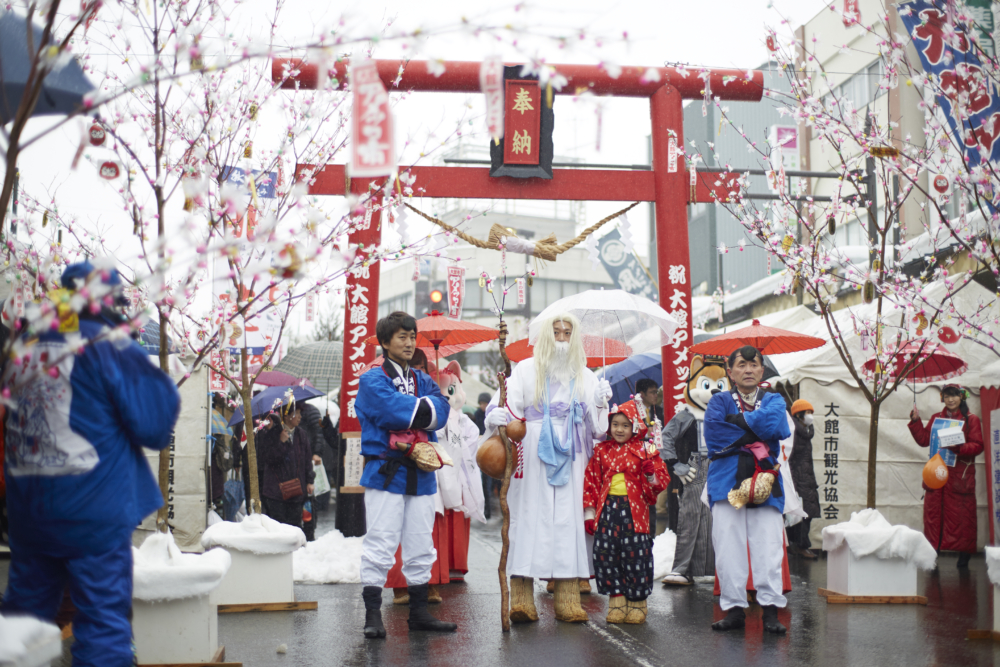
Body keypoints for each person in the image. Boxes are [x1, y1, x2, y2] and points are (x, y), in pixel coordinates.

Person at [1, 260, 181, 667]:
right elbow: (153, 425)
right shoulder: (107, 344)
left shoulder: (24, 345)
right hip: (94, 509)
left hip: (30, 511)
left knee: (23, 623)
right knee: (102, 621)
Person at [484, 313, 611, 623]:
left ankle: (568, 597)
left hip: (573, 452)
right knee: (528, 515)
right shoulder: (525, 370)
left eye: (568, 333)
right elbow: (503, 408)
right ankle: (522, 597)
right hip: (533, 449)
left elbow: (599, 431)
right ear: (544, 336)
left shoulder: (587, 375)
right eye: (556, 332)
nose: (562, 338)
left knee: (569, 519)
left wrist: (599, 402)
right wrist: (496, 417)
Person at [355, 312, 456, 638]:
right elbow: (388, 411)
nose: (410, 342)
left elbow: (441, 412)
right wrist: (418, 410)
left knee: (420, 542)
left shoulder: (422, 379)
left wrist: (414, 410)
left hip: (423, 471)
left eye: (413, 336)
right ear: (385, 342)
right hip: (386, 470)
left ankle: (419, 613)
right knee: (381, 541)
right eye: (402, 336)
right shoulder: (372, 379)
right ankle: (372, 615)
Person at [705, 345, 790, 634]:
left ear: (762, 370)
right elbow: (714, 435)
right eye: (741, 365)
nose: (748, 370)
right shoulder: (718, 402)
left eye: (754, 365)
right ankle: (734, 609)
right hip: (726, 480)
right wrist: (758, 430)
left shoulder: (774, 398)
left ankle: (770, 611)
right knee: (729, 548)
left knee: (769, 547)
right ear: (730, 372)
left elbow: (775, 424)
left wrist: (739, 425)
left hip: (766, 482)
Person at [583, 401, 669, 624]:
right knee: (606, 553)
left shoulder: (646, 450)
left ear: (635, 427)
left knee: (636, 553)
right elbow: (591, 482)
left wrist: (651, 475)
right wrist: (590, 514)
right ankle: (617, 601)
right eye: (615, 424)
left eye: (625, 425)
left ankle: (638, 603)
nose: (619, 429)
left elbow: (660, 483)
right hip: (607, 509)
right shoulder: (601, 450)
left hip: (635, 511)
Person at [661, 354, 727, 585]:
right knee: (689, 517)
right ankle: (682, 568)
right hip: (695, 468)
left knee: (719, 520)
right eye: (706, 385)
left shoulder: (726, 415)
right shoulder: (687, 415)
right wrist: (675, 464)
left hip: (721, 468)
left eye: (720, 386)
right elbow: (665, 438)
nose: (713, 392)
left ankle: (717, 569)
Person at [908, 384, 984, 568]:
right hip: (937, 473)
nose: (951, 400)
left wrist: (958, 447)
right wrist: (916, 421)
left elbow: (977, 446)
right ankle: (933, 554)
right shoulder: (937, 418)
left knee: (962, 519)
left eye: (955, 396)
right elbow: (925, 440)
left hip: (959, 477)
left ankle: (964, 558)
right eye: (948, 396)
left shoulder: (971, 420)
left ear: (962, 397)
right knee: (934, 516)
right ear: (943, 398)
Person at [258, 405, 315, 529]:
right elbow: (268, 459)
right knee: (278, 527)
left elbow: (307, 460)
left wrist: (310, 481)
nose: (300, 417)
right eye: (296, 413)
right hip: (276, 491)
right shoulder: (272, 433)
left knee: (294, 526)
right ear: (287, 416)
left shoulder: (301, 434)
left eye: (300, 413)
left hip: (296, 489)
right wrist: (281, 442)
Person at [786, 400, 819, 559]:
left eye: (811, 413)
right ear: (798, 415)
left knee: (805, 513)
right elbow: (790, 458)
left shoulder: (805, 432)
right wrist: (793, 482)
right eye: (807, 413)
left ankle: (796, 544)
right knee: (802, 514)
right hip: (799, 479)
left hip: (806, 479)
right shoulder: (795, 432)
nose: (810, 416)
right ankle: (799, 545)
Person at [473, 391, 496, 519]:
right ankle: (483, 509)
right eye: (481, 403)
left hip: (490, 450)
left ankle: (488, 511)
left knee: (487, 484)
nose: (483, 406)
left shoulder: (491, 414)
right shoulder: (477, 415)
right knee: (481, 484)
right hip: (479, 449)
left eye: (485, 403)